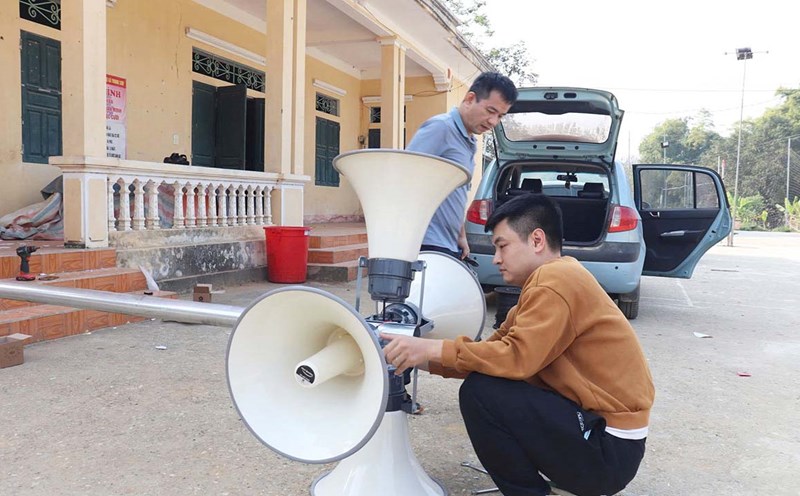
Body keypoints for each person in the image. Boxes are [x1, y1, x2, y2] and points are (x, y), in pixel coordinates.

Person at [382, 194, 655, 496]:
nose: (497, 258)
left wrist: (433, 348)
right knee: (487, 381)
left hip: (608, 449)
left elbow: (515, 358)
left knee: (481, 394)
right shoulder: (547, 284)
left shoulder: (555, 280)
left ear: (537, 240)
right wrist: (415, 356)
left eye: (502, 245)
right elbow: (490, 356)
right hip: (607, 443)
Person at [407, 71, 518, 260]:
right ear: (469, 98)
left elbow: (455, 194)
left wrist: (461, 236)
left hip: (448, 243)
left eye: (500, 116)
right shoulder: (441, 128)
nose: (493, 122)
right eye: (490, 111)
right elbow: (404, 175)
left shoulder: (469, 140)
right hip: (426, 243)